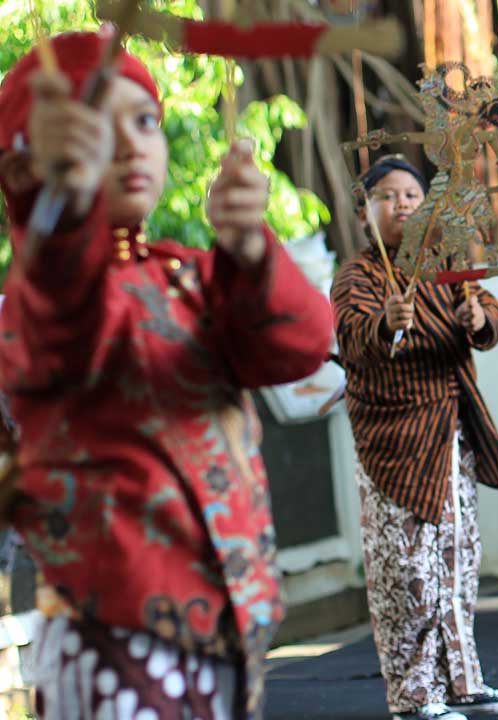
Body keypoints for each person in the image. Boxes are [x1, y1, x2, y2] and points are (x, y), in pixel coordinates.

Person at [0, 31, 334, 717]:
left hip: (230, 624)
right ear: (27, 166)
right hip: (114, 629)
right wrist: (56, 203)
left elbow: (300, 347)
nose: (130, 144)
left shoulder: (194, 277)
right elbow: (66, 318)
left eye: (145, 121)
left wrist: (251, 250)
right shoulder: (40, 295)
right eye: (97, 126)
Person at [331, 155, 498, 720]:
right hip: (395, 440)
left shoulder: (444, 262)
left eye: (411, 197)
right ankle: (415, 697)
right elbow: (353, 335)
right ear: (364, 211)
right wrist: (387, 322)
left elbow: (487, 309)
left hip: (451, 432)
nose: (401, 206)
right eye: (387, 197)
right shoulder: (357, 276)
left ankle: (463, 683)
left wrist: (478, 320)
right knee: (408, 571)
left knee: (458, 559)